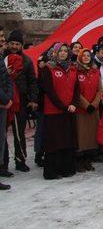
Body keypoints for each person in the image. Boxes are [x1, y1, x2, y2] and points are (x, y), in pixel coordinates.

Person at [40, 43, 78, 180]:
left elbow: (76, 90)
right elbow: (49, 91)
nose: (63, 53)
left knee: (67, 141)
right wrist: (63, 106)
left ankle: (66, 169)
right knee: (54, 142)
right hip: (53, 111)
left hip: (70, 110)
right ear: (54, 53)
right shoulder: (48, 68)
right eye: (60, 51)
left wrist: (73, 104)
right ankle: (52, 172)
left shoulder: (73, 68)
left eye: (65, 51)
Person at [2, 30, 37, 173]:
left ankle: (20, 160)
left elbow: (32, 82)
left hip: (20, 101)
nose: (14, 46)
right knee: (2, 134)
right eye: (12, 43)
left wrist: (33, 99)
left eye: (17, 44)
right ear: (7, 44)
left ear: (21, 45)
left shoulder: (27, 61)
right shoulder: (1, 59)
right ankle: (3, 164)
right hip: (3, 100)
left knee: (19, 133)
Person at [74, 48, 103, 172]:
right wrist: (86, 105)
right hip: (81, 110)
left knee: (92, 136)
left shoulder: (95, 72)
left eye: (88, 55)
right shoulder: (76, 71)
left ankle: (88, 159)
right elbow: (76, 92)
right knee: (81, 136)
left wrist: (94, 104)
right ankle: (79, 161)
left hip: (93, 109)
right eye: (83, 55)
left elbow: (100, 90)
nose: (86, 57)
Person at [0, 56, 14, 189]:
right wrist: (4, 99)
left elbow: (7, 79)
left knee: (1, 140)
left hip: (4, 103)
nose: (3, 40)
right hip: (2, 102)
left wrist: (8, 97)